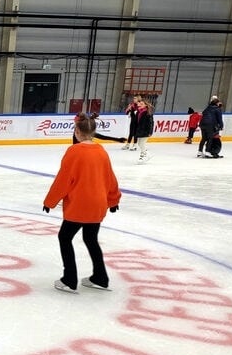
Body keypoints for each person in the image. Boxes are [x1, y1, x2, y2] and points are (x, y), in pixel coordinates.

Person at [43, 112, 121, 293]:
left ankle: (70, 279)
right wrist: (113, 200)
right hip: (98, 205)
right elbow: (110, 178)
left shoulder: (74, 151)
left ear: (77, 132)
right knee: (90, 239)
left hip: (79, 204)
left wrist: (50, 201)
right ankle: (100, 277)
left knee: (64, 237)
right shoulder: (101, 151)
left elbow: (63, 180)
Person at [134, 97, 154, 164]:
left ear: (145, 105)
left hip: (146, 130)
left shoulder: (148, 113)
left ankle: (143, 155)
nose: (140, 105)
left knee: (142, 143)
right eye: (140, 104)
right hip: (140, 130)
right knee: (139, 143)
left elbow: (151, 123)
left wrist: (150, 132)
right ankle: (146, 153)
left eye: (142, 104)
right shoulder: (139, 112)